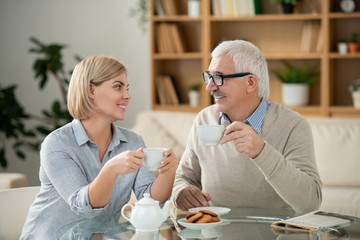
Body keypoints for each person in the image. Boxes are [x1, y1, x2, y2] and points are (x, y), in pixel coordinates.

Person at [21, 56, 178, 239]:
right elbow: (84, 206)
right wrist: (110, 169)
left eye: (127, 88)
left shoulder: (133, 141)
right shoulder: (57, 143)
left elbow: (149, 199)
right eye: (118, 86)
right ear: (90, 90)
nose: (127, 95)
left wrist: (169, 171)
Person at [172, 40, 322, 214]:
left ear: (250, 82)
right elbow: (183, 178)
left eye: (219, 77)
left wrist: (261, 152)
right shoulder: (204, 120)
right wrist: (180, 193)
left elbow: (311, 202)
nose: (210, 87)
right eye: (209, 77)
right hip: (215, 232)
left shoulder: (293, 125)